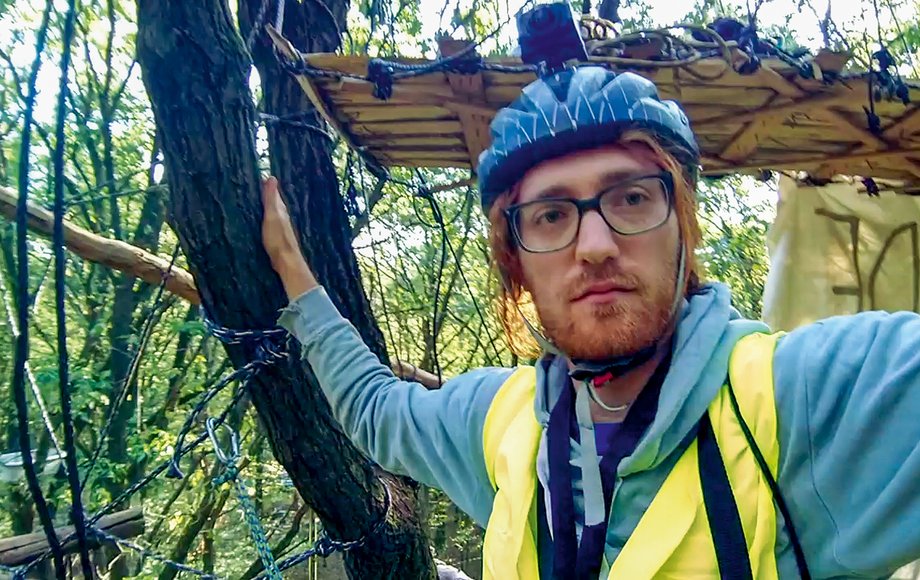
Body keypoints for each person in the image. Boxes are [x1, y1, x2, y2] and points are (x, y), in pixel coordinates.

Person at [261, 65, 920, 579]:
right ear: (516, 265)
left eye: (631, 198)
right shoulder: (502, 425)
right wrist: (294, 271)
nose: (596, 244)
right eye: (552, 215)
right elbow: (375, 411)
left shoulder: (798, 399)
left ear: (682, 228)